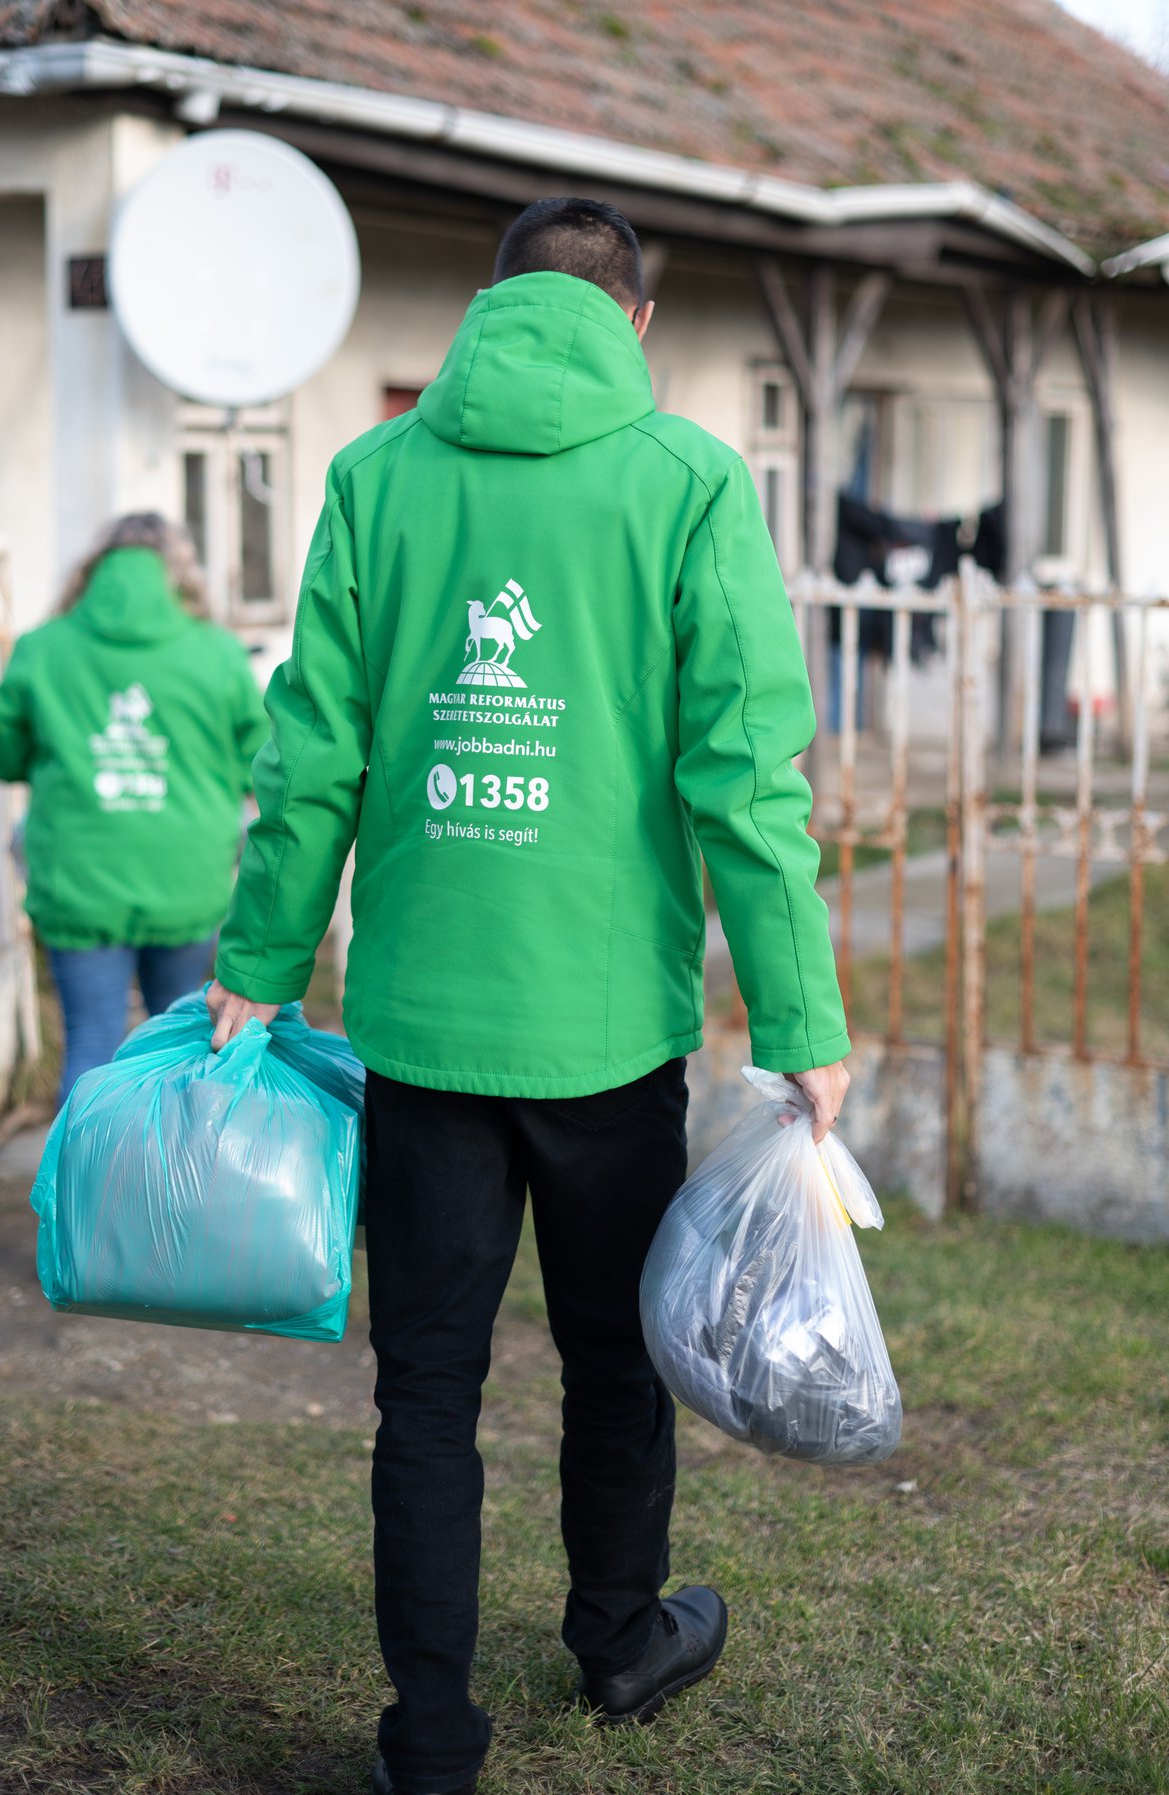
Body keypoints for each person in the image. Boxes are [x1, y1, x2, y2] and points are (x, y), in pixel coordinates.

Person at [208, 199, 851, 1795]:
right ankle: (620, 1638)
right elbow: (747, 780)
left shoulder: (374, 477)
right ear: (634, 323)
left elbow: (310, 757)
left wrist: (258, 965)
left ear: (489, 307)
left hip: (419, 1030)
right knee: (615, 1359)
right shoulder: (691, 480)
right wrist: (801, 1019)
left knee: (425, 1383)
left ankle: (429, 1736)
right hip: (604, 1037)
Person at [0, 511, 268, 1102]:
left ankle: (81, 1192)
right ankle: (165, 1188)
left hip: (78, 878)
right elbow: (257, 763)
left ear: (93, 570)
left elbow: (4, 753)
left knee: (91, 1039)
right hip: (186, 879)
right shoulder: (215, 654)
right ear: (179, 574)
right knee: (178, 1040)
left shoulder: (43, 649)